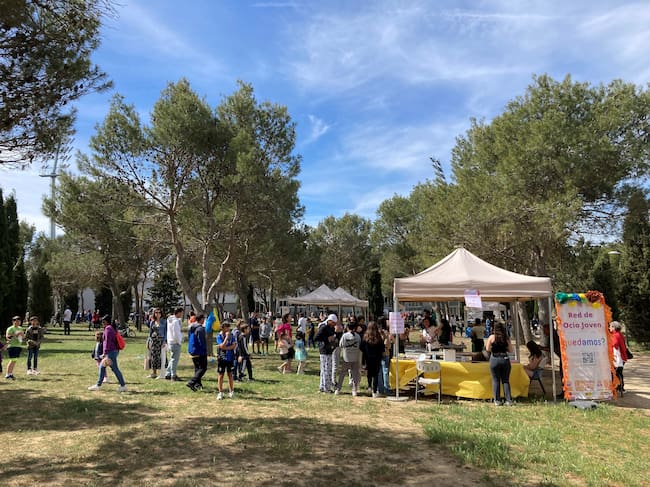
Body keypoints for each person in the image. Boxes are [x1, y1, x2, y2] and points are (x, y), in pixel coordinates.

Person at [88, 315, 127, 392]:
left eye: (103, 322)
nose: (102, 323)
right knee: (106, 368)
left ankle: (122, 386)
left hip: (110, 352)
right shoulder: (111, 328)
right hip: (113, 351)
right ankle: (99, 385)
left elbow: (107, 342)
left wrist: (104, 353)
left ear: (107, 322)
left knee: (112, 369)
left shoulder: (108, 329)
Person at [485, 321, 513, 406]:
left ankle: (497, 400)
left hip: (495, 358)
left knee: (495, 380)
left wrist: (494, 348)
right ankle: (508, 400)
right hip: (504, 358)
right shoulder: (506, 338)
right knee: (505, 380)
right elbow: (511, 350)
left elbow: (487, 349)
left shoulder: (491, 337)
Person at [334, 321, 361, 396]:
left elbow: (340, 345)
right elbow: (359, 345)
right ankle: (354, 390)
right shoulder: (358, 336)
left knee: (342, 374)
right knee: (355, 374)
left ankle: (338, 389)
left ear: (348, 328)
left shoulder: (345, 336)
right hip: (355, 357)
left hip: (346, 358)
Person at [314, 314, 338, 393]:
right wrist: (327, 339)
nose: (334, 325)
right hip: (324, 350)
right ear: (330, 321)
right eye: (333, 323)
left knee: (326, 369)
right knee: (326, 369)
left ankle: (322, 386)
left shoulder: (331, 328)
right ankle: (326, 388)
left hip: (329, 350)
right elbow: (316, 338)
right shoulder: (323, 327)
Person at [361, 321, 386, 398]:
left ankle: (369, 386)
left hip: (367, 358)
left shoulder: (365, 337)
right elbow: (382, 349)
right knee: (375, 375)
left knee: (369, 373)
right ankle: (374, 391)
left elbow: (361, 348)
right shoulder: (379, 337)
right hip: (377, 358)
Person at [216, 320, 237, 400]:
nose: (228, 329)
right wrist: (226, 338)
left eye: (229, 327)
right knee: (221, 375)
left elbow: (233, 345)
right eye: (226, 327)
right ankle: (220, 392)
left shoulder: (232, 335)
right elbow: (221, 346)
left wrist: (226, 348)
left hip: (230, 357)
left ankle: (231, 391)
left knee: (230, 374)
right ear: (223, 328)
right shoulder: (219, 336)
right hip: (222, 358)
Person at [186, 314, 207, 391]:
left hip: (192, 349)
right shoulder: (200, 329)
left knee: (197, 368)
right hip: (199, 350)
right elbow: (202, 341)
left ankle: (198, 384)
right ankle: (192, 382)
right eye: (203, 319)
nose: (204, 320)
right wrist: (204, 349)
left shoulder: (191, 327)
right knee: (203, 368)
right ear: (201, 319)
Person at [148, 308, 168, 379]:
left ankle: (163, 373)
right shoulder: (152, 322)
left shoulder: (164, 321)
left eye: (159, 312)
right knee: (154, 357)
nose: (158, 314)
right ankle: (154, 373)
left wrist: (164, 341)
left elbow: (166, 332)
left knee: (162, 357)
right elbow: (150, 333)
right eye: (156, 312)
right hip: (154, 341)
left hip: (161, 341)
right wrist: (148, 342)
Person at [609, 321, 628, 394]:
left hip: (617, 357)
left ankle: (616, 388)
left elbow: (615, 344)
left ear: (614, 327)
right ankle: (621, 388)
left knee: (614, 372)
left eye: (610, 326)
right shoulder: (620, 334)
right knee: (619, 372)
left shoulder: (615, 335)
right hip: (622, 356)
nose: (609, 328)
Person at [165, 307, 183, 381]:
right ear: (178, 313)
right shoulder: (175, 322)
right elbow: (176, 334)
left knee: (172, 358)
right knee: (175, 360)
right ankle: (173, 375)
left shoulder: (170, 319)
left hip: (170, 341)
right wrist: (179, 341)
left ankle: (168, 373)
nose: (182, 314)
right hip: (175, 342)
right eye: (181, 313)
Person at [5, 316, 24, 380]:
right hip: (12, 346)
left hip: (18, 346)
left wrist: (22, 335)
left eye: (19, 321)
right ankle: (7, 374)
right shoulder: (10, 328)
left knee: (14, 360)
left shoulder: (20, 328)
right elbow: (7, 337)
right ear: (13, 321)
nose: (18, 322)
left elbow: (23, 337)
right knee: (12, 360)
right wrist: (16, 334)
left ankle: (10, 374)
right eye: (16, 321)